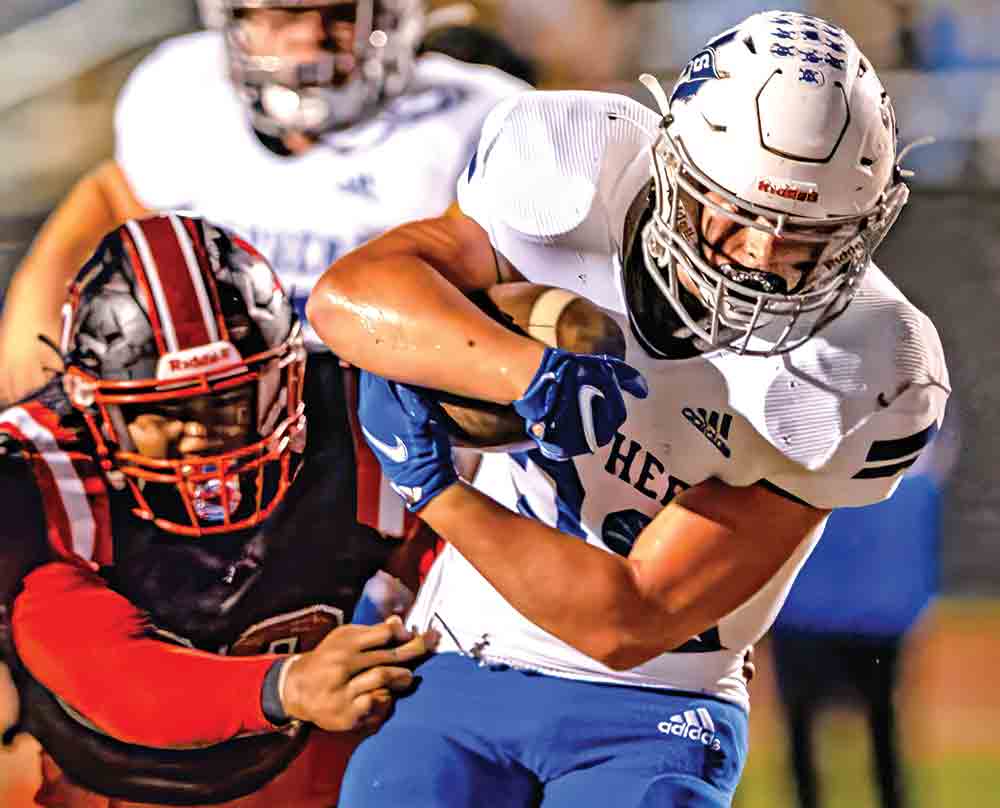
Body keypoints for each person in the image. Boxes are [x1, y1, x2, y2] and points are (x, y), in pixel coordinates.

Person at [305, 10, 951, 807]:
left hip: (659, 701)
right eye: (741, 215)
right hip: (467, 646)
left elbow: (630, 621)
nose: (763, 256)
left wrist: (436, 491)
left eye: (807, 236)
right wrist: (529, 372)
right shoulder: (574, 168)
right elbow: (348, 298)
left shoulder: (866, 368)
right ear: (676, 170)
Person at [0, 213, 439, 808]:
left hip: (296, 759)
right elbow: (105, 672)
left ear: (286, 374)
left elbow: (459, 579)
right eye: (163, 413)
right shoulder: (40, 474)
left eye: (228, 400)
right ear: (94, 406)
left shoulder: (354, 423)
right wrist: (285, 685)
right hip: (96, 780)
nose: (198, 435)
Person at [0, 0, 529, 405]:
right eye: (281, 14)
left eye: (341, 13)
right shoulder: (179, 89)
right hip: (206, 411)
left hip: (387, 415)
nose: (309, 39)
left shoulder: (482, 120)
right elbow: (116, 198)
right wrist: (36, 336)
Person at [770, 411, 959, 808]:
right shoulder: (911, 466)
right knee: (879, 732)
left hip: (808, 615)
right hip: (874, 617)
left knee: (807, 736)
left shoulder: (796, 454)